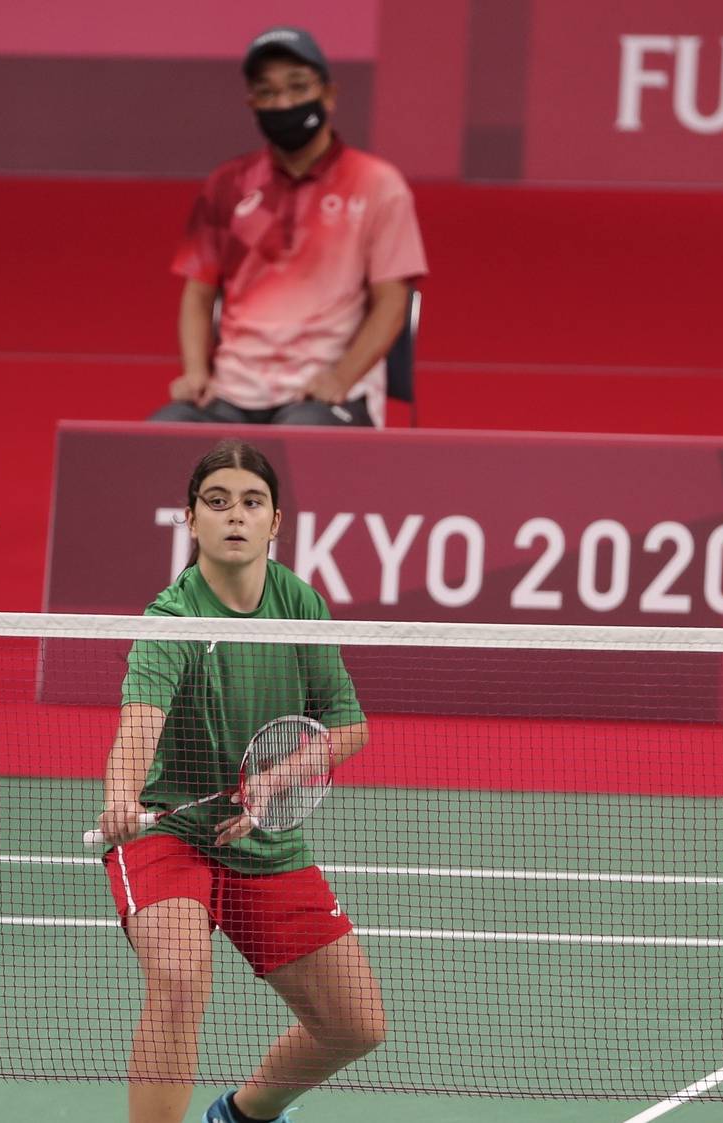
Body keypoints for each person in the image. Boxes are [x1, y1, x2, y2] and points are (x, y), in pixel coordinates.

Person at [95, 440, 385, 1123]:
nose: (234, 515)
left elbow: (348, 726)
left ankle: (246, 1113)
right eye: (216, 501)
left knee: (356, 1025)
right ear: (190, 519)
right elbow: (140, 721)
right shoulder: (171, 618)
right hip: (168, 830)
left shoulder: (298, 603)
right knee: (178, 976)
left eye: (251, 502)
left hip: (258, 834)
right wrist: (121, 795)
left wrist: (275, 779)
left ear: (274, 521)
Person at [152, 27, 427, 429]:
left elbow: (392, 303)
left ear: (329, 95)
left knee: (290, 450)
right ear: (252, 102)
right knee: (157, 439)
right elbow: (197, 294)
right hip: (232, 392)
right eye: (268, 92)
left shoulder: (377, 184)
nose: (283, 103)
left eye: (298, 88)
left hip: (325, 392)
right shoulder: (227, 184)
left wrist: (342, 377)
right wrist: (196, 372)